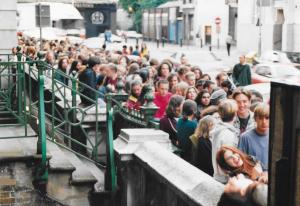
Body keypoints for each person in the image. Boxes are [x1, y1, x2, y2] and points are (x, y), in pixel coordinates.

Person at [212, 99, 239, 183]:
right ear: (235, 114)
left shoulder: (219, 129)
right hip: (225, 179)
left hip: (218, 175)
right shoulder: (228, 135)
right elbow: (229, 159)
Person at [238, 103, 269, 171]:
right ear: (255, 118)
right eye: (260, 118)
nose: (264, 122)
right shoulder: (245, 137)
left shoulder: (275, 136)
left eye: (267, 118)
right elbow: (241, 162)